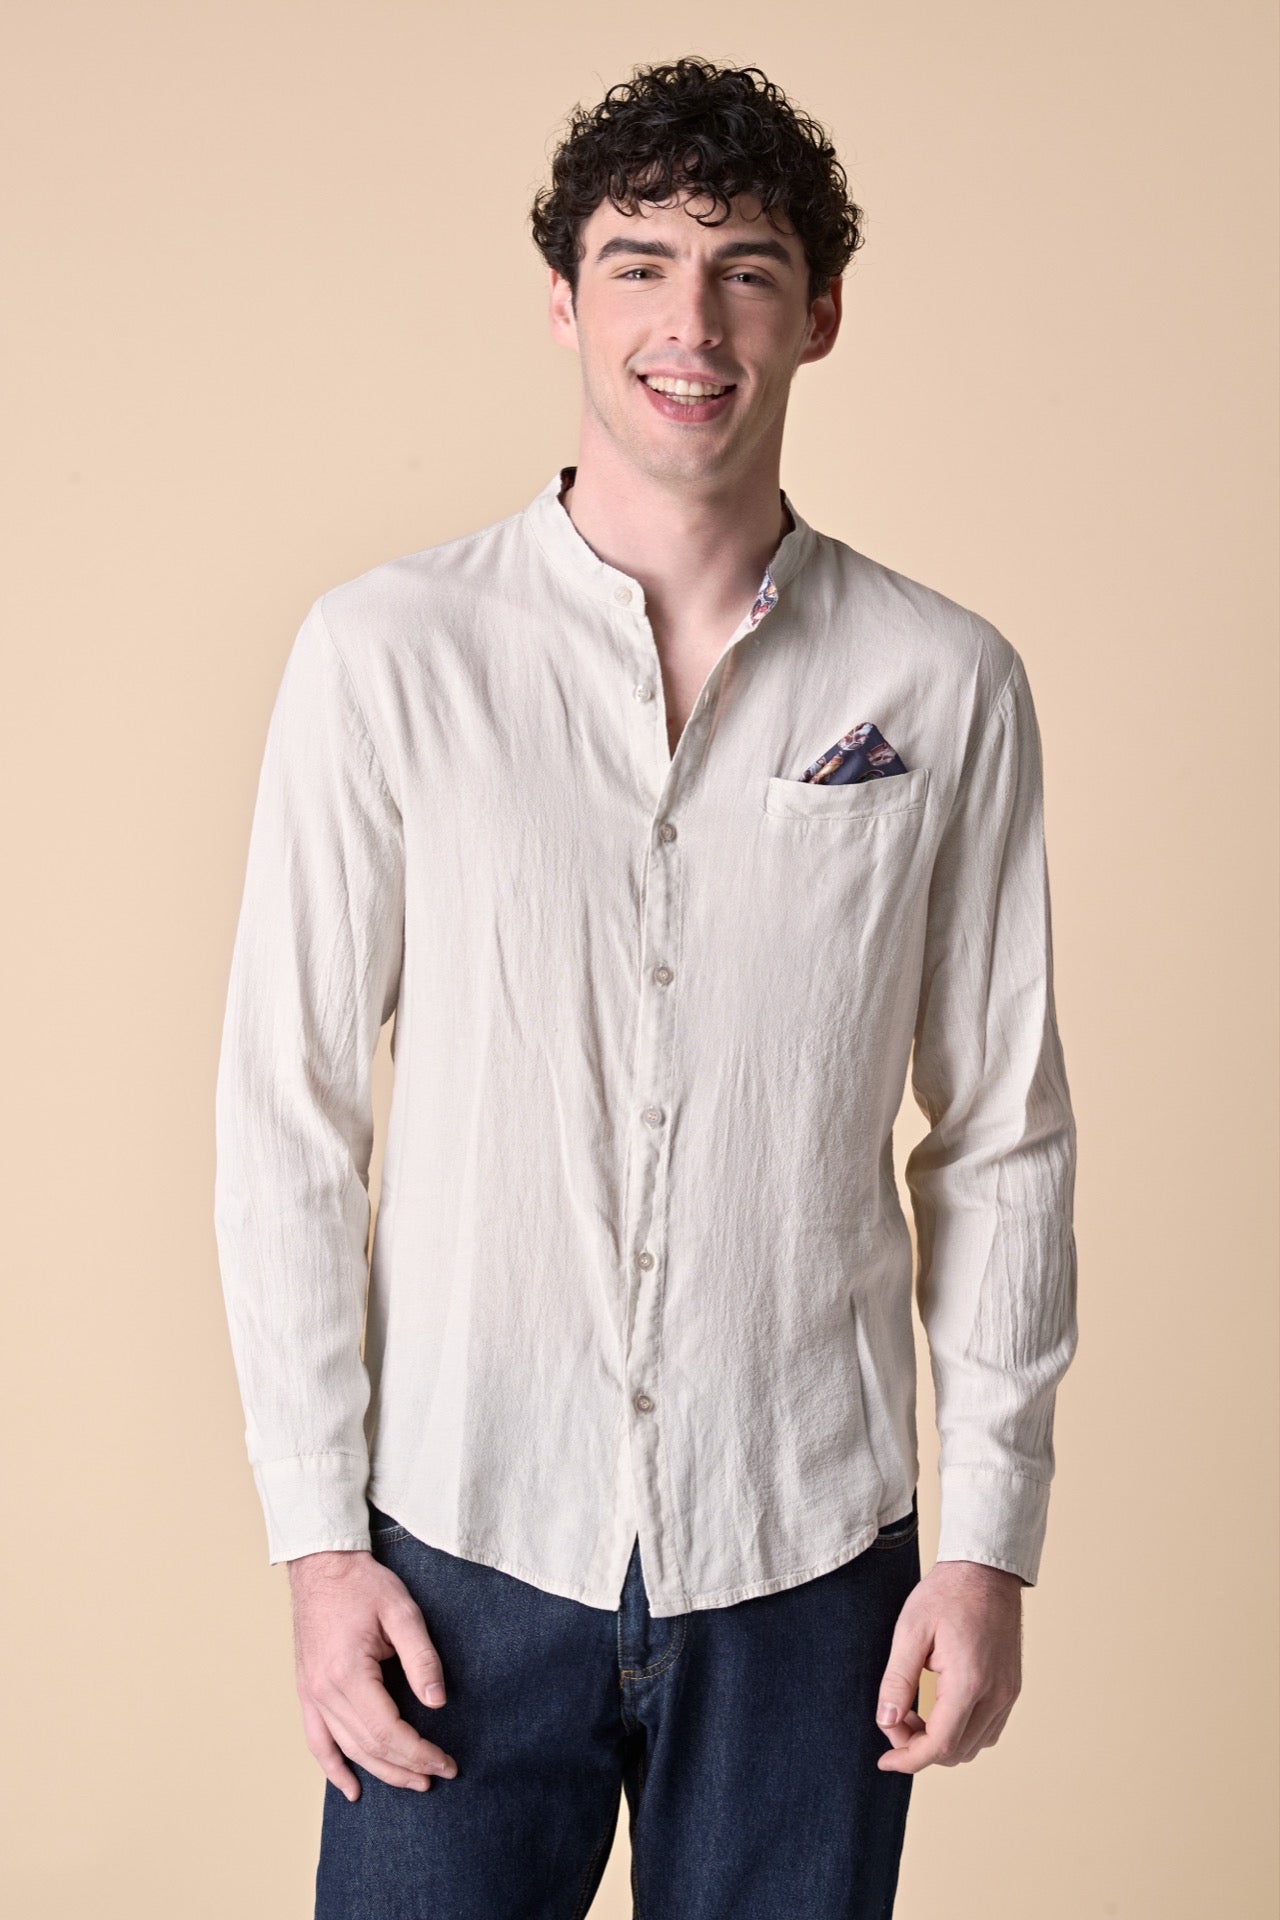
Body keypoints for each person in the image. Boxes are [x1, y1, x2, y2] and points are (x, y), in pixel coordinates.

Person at [213, 54, 1079, 1920]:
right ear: (564, 301)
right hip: (457, 1555)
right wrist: (315, 1545)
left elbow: (1002, 1133)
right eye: (639, 263)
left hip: (811, 1562)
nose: (691, 321)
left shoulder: (944, 684)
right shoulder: (387, 658)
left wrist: (990, 1540)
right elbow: (289, 1115)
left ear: (818, 313)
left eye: (745, 268)